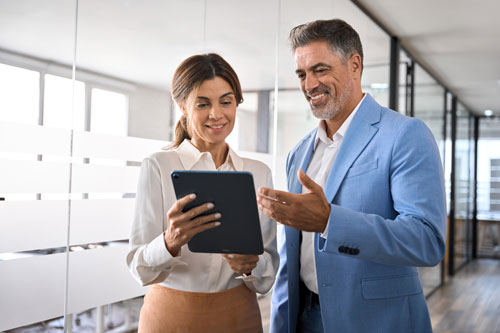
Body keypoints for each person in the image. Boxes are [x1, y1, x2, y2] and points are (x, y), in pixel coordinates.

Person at [257, 19, 446, 333]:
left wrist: (330, 221)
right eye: (302, 74)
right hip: (304, 318)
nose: (309, 84)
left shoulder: (404, 135)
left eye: (320, 69)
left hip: (376, 321)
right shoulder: (298, 152)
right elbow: (292, 259)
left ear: (355, 65)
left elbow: (426, 240)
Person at [127, 53, 278, 333]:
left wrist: (251, 265)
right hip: (170, 318)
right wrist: (170, 242)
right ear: (182, 106)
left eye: (226, 101)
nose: (216, 114)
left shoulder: (259, 173)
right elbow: (139, 269)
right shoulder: (158, 166)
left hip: (238, 318)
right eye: (203, 104)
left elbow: (266, 278)